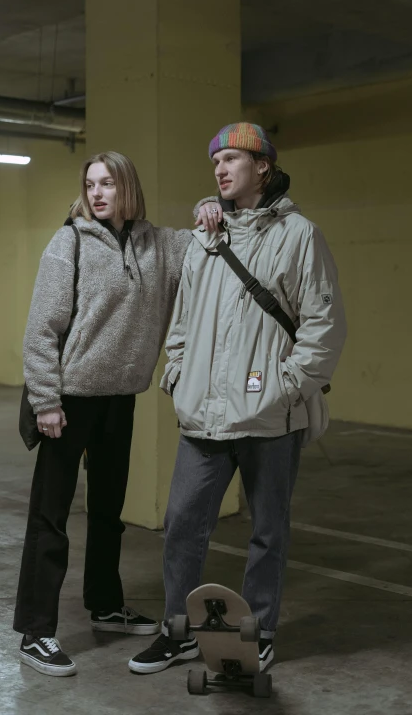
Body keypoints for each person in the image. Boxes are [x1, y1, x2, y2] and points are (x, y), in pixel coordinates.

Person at [129, 122, 347, 675]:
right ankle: (177, 631)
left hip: (272, 417)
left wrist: (288, 386)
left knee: (268, 532)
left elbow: (324, 325)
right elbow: (181, 321)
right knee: (182, 524)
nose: (221, 169)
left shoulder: (300, 235)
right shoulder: (206, 238)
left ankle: (261, 633)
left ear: (263, 166)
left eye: (231, 159)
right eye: (216, 163)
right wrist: (178, 372)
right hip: (203, 414)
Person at [13, 150, 221, 677]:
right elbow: (41, 330)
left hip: (119, 399)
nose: (98, 193)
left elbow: (200, 232)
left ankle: (105, 605)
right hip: (68, 400)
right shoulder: (70, 244)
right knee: (51, 519)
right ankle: (36, 632)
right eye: (90, 184)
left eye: (107, 183)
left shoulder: (159, 245)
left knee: (108, 512)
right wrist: (46, 402)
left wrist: (209, 205)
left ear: (127, 187)